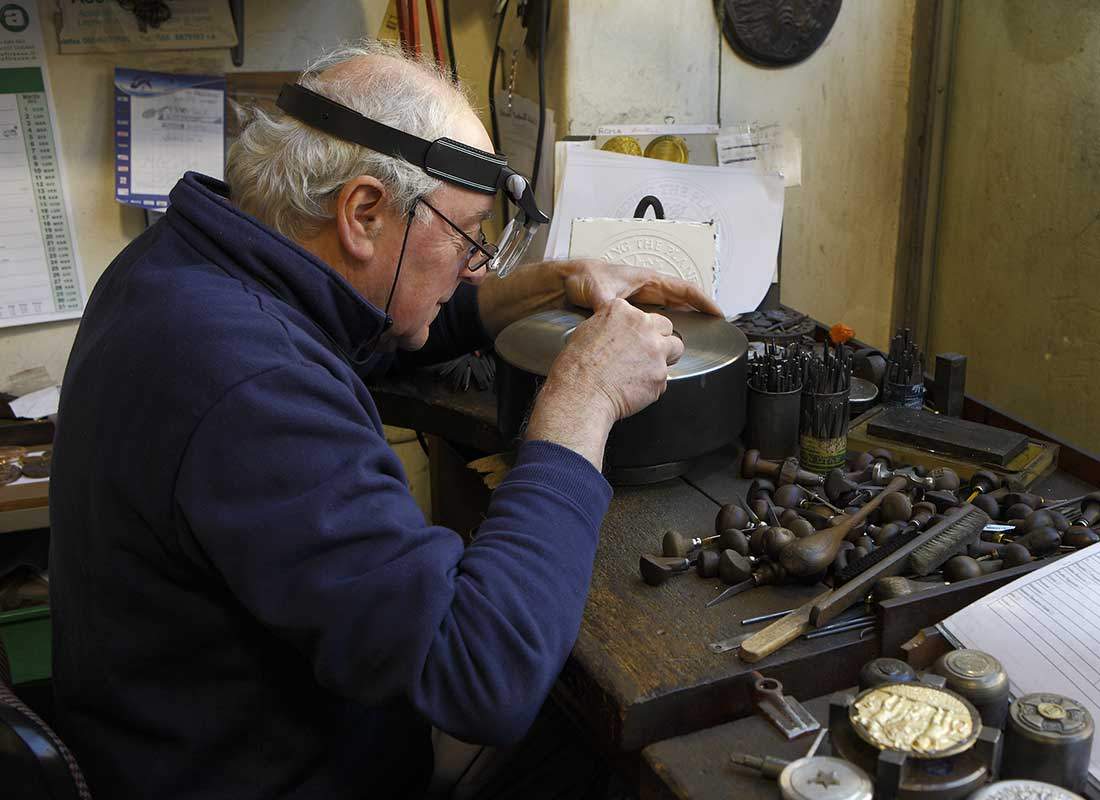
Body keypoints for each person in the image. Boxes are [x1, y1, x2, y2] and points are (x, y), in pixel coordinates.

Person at [49, 40, 720, 799]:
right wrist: (584, 398)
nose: (476, 265)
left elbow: (359, 323)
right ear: (364, 213)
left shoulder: (182, 266)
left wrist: (547, 285)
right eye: (468, 236)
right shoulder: (254, 388)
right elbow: (485, 675)